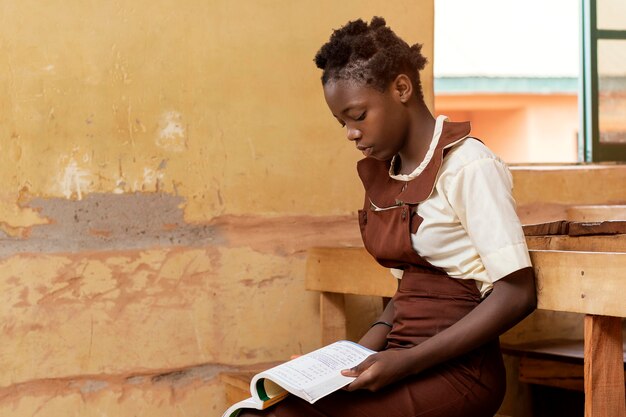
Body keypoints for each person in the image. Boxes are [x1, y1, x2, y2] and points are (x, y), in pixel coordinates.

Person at [240, 16, 536, 417]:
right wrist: (348, 360)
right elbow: (409, 293)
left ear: (401, 87)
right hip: (399, 359)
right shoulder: (389, 176)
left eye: (358, 115)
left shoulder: (468, 166)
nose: (350, 133)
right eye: (341, 122)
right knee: (272, 408)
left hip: (462, 373)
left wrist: (406, 363)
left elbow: (517, 293)